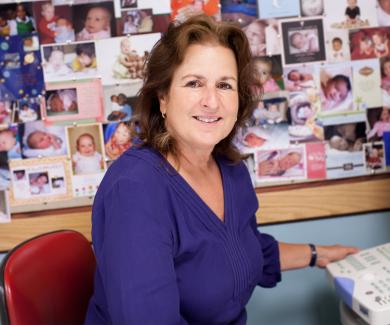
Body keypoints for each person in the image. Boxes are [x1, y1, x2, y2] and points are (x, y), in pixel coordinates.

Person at [85, 15, 358, 324]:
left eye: (224, 85)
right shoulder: (134, 191)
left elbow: (243, 251)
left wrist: (317, 254)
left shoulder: (231, 170)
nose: (212, 101)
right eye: (194, 83)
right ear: (163, 97)